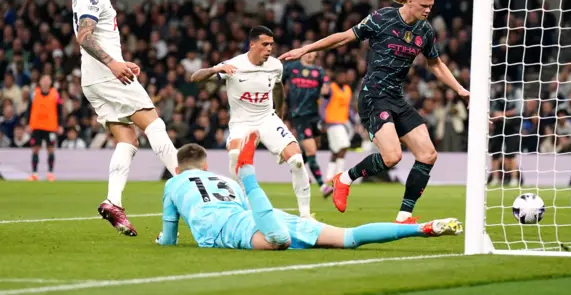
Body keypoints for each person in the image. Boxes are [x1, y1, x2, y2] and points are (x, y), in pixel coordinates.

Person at [280, 0, 470, 223]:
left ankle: (404, 216)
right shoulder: (382, 18)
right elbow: (343, 38)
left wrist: (460, 89)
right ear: (410, 1)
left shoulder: (425, 31)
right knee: (392, 156)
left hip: (396, 98)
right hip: (373, 96)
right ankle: (344, 179)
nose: (427, 11)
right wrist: (306, 48)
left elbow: (436, 64)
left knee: (428, 154)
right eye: (423, 6)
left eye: (430, 7)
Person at [156, 139, 462, 249]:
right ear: (206, 165)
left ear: (178, 168)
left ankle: (249, 172)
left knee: (277, 241)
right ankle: (419, 230)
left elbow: (170, 236)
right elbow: (251, 212)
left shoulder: (173, 183)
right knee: (349, 237)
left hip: (237, 229)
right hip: (263, 217)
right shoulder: (223, 180)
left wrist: (162, 240)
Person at [73, 0, 179, 236]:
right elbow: (84, 35)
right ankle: (191, 186)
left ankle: (113, 202)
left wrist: (120, 62)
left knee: (128, 140)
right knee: (154, 124)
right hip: (106, 76)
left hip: (95, 79)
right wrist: (112, 65)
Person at [190, 26, 313, 218]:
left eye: (271, 44)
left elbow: (278, 88)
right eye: (265, 44)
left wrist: (279, 113)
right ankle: (247, 208)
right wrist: (217, 68)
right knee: (234, 155)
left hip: (267, 119)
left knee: (297, 161)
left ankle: (305, 215)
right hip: (242, 123)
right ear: (252, 44)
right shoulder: (234, 64)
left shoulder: (275, 65)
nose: (269, 49)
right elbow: (194, 78)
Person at [281, 44, 333, 198]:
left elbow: (327, 90)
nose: (310, 55)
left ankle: (297, 167)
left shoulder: (319, 71)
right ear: (302, 53)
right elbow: (279, 84)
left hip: (314, 115)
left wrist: (326, 91)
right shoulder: (291, 68)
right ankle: (322, 185)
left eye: (313, 53)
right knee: (311, 150)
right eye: (308, 52)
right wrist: (282, 106)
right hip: (299, 114)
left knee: (315, 146)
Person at [25, 75, 63, 181]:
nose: (45, 82)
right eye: (43, 80)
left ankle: (50, 173)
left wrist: (60, 125)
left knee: (50, 149)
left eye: (48, 80)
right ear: (40, 82)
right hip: (36, 126)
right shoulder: (34, 93)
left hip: (50, 126)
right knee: (35, 149)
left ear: (50, 82)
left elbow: (59, 111)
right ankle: (34, 174)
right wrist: (28, 124)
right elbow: (29, 109)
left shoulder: (55, 94)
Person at [321, 67, 353, 181]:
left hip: (343, 122)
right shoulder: (331, 89)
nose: (343, 78)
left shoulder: (348, 89)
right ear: (336, 77)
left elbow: (348, 107)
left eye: (344, 76)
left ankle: (329, 176)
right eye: (340, 76)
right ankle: (339, 176)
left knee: (336, 151)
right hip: (332, 122)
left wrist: (353, 119)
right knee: (344, 146)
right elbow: (323, 105)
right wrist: (323, 120)